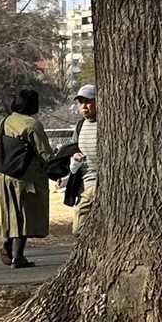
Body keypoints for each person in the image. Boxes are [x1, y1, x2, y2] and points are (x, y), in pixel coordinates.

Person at [0, 86, 52, 267]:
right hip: (25, 176)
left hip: (4, 175)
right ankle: (18, 256)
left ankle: (9, 245)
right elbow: (44, 153)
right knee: (24, 215)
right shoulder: (32, 125)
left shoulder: (5, 122)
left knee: (10, 214)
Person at [71, 83, 98, 235]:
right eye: (80, 102)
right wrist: (75, 158)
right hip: (83, 181)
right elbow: (74, 150)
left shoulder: (108, 124)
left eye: (88, 101)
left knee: (79, 228)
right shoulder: (80, 126)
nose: (84, 106)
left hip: (98, 181)